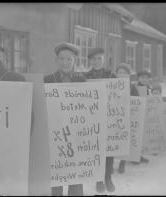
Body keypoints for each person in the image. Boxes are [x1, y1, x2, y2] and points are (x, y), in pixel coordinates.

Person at [44, 42, 85, 196]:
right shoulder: (48, 79)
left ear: (74, 61)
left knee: (75, 174)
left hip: (76, 134)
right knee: (56, 173)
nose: (65, 62)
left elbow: (88, 109)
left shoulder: (81, 80)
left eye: (69, 59)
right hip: (54, 134)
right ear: (57, 60)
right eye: (61, 59)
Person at [83, 47, 116, 193]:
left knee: (108, 150)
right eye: (93, 59)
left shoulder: (112, 76)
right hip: (92, 119)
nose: (96, 61)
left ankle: (108, 178)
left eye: (99, 58)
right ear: (90, 61)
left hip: (110, 117)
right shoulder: (85, 77)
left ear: (103, 58)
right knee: (95, 149)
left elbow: (119, 95)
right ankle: (98, 180)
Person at [115, 63, 140, 173]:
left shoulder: (131, 86)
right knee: (113, 140)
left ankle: (122, 163)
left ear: (128, 74)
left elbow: (137, 101)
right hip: (114, 117)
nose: (121, 74)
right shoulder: (112, 85)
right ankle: (110, 164)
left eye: (124, 73)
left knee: (125, 141)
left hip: (127, 117)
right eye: (119, 72)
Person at [130, 70, 151, 165]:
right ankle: (134, 157)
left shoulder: (147, 88)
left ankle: (139, 155)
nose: (145, 79)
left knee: (141, 136)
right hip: (135, 114)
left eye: (146, 78)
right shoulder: (135, 87)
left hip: (144, 114)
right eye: (142, 77)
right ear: (138, 78)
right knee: (135, 136)